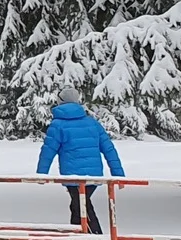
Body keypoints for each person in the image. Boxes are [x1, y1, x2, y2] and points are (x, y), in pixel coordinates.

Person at [36, 88, 124, 233]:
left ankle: (95, 236)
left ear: (60, 102)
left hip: (73, 177)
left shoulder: (58, 125)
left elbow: (48, 151)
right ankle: (77, 235)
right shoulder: (92, 123)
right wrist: (118, 174)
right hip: (93, 175)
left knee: (83, 208)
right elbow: (109, 149)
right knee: (78, 207)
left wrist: (41, 174)